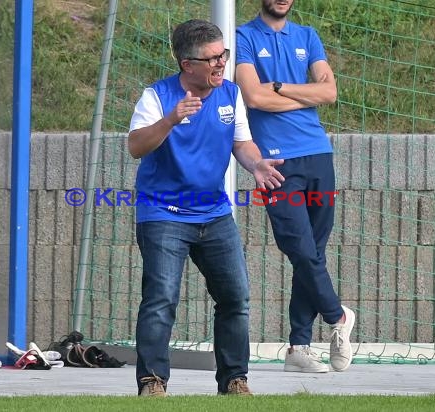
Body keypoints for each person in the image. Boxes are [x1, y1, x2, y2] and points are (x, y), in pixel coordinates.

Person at [128, 19, 285, 396]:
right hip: (163, 214)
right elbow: (136, 146)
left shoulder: (230, 94)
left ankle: (234, 379)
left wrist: (257, 164)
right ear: (187, 64)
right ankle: (153, 381)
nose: (221, 64)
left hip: (215, 215)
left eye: (223, 55)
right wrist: (172, 118)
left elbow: (242, 144)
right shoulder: (157, 97)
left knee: (235, 298)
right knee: (161, 298)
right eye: (212, 58)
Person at [236, 0, 355, 373]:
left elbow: (329, 93)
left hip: (318, 154)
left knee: (313, 252)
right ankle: (338, 316)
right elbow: (252, 97)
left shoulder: (308, 36)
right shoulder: (243, 37)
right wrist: (303, 94)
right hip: (276, 161)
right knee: (298, 247)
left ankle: (298, 347)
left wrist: (279, 88)